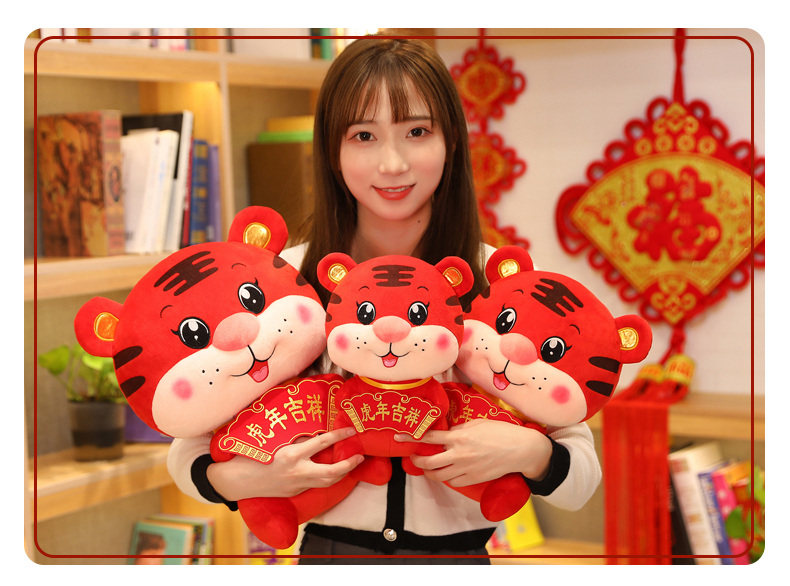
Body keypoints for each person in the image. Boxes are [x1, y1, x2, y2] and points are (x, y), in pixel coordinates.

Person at [167, 36, 601, 564]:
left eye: (417, 131)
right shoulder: (285, 283)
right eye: (364, 136)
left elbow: (581, 480)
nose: (392, 164)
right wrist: (244, 479)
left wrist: (532, 453)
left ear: (452, 140)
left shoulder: (498, 287)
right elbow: (187, 448)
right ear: (332, 151)